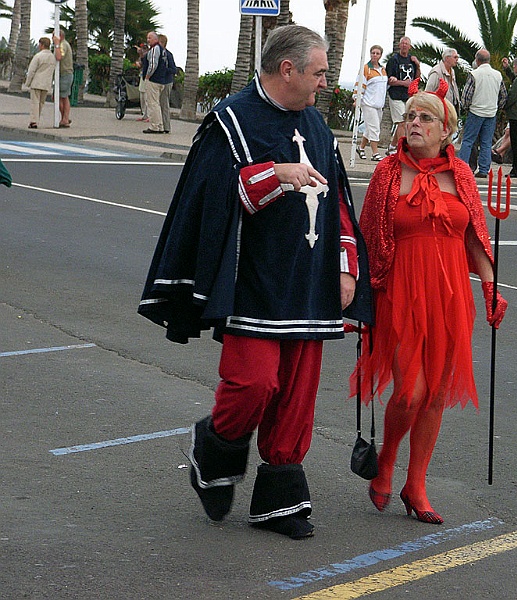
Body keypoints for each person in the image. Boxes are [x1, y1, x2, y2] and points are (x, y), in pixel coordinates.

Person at [138, 25, 372, 540]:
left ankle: (280, 499)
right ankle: (216, 444)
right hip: (252, 283)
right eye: (319, 72)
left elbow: (337, 208)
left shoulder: (317, 125)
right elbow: (214, 202)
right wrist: (275, 174)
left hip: (310, 282)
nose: (325, 83)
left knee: (297, 394)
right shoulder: (230, 121)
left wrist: (345, 265)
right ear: (287, 69)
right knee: (255, 384)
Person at [352, 80, 508, 525]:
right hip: (400, 293)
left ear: (446, 131)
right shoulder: (386, 173)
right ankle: (386, 460)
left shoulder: (460, 176)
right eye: (410, 117)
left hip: (449, 293)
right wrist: (356, 303)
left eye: (425, 118)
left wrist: (491, 286)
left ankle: (415, 482)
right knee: (410, 389)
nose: (414, 123)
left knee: (437, 392)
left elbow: (475, 238)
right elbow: (365, 241)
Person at [458, 49, 506, 178]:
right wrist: (497, 107)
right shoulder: (498, 75)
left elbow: (466, 95)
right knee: (486, 143)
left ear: (477, 60)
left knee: (468, 140)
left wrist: (467, 107)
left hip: (476, 111)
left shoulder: (474, 74)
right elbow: (503, 95)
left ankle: (462, 167)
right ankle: (484, 170)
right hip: (491, 113)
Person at [385, 36, 420, 155]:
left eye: (406, 44)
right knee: (401, 123)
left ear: (410, 47)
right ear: (399, 45)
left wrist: (418, 65)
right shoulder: (393, 60)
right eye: (402, 43)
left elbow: (417, 78)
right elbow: (389, 80)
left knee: (404, 121)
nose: (404, 45)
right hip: (396, 95)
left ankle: (392, 146)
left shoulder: (412, 60)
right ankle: (402, 149)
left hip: (408, 96)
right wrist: (403, 83)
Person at [354, 44, 388, 161]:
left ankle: (361, 148)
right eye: (373, 53)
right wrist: (356, 98)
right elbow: (360, 83)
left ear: (380, 55)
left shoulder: (383, 70)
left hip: (379, 104)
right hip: (368, 103)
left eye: (377, 53)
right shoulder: (365, 68)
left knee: (370, 128)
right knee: (374, 129)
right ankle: (375, 153)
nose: (375, 55)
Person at [24, 37, 56, 129]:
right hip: (46, 83)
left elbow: (31, 71)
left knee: (35, 102)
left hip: (37, 82)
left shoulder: (38, 56)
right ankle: (36, 119)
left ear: (41, 45)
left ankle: (34, 121)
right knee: (41, 103)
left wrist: (27, 83)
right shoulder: (52, 57)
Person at [142, 32, 167, 134]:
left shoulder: (155, 49)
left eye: (150, 38)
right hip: (161, 80)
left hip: (154, 80)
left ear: (156, 39)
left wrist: (148, 75)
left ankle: (154, 126)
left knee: (152, 103)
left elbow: (153, 64)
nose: (148, 40)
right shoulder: (162, 50)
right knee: (156, 104)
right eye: (147, 38)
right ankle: (159, 125)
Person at [425, 48, 460, 114]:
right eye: (455, 57)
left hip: (450, 110)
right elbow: (428, 92)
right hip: (439, 112)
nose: (457, 59)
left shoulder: (452, 71)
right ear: (447, 58)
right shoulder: (436, 72)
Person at [157, 34, 178, 134]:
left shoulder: (168, 55)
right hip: (159, 82)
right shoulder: (158, 54)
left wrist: (164, 70)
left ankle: (166, 126)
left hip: (166, 82)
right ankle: (159, 124)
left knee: (164, 104)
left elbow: (173, 69)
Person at [52, 31, 73, 128]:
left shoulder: (62, 45)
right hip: (61, 75)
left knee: (61, 97)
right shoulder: (62, 44)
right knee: (60, 97)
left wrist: (57, 45)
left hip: (65, 74)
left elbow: (59, 56)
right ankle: (65, 117)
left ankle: (65, 118)